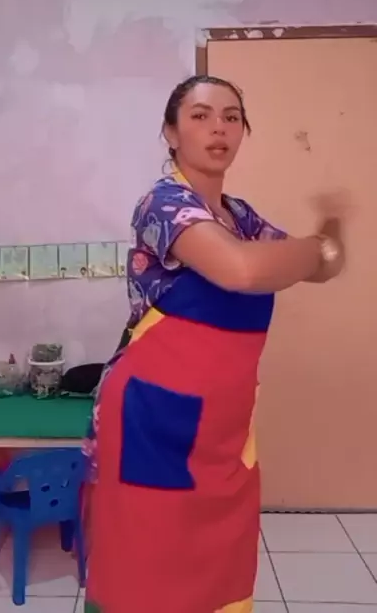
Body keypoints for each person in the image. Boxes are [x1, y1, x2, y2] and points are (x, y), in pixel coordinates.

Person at [83, 75, 347, 613]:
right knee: (145, 569)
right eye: (200, 116)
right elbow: (242, 270)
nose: (218, 128)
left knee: (219, 566)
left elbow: (321, 268)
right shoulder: (163, 204)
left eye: (231, 117)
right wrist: (316, 246)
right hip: (154, 418)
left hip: (222, 424)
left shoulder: (240, 216)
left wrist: (324, 244)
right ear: (170, 132)